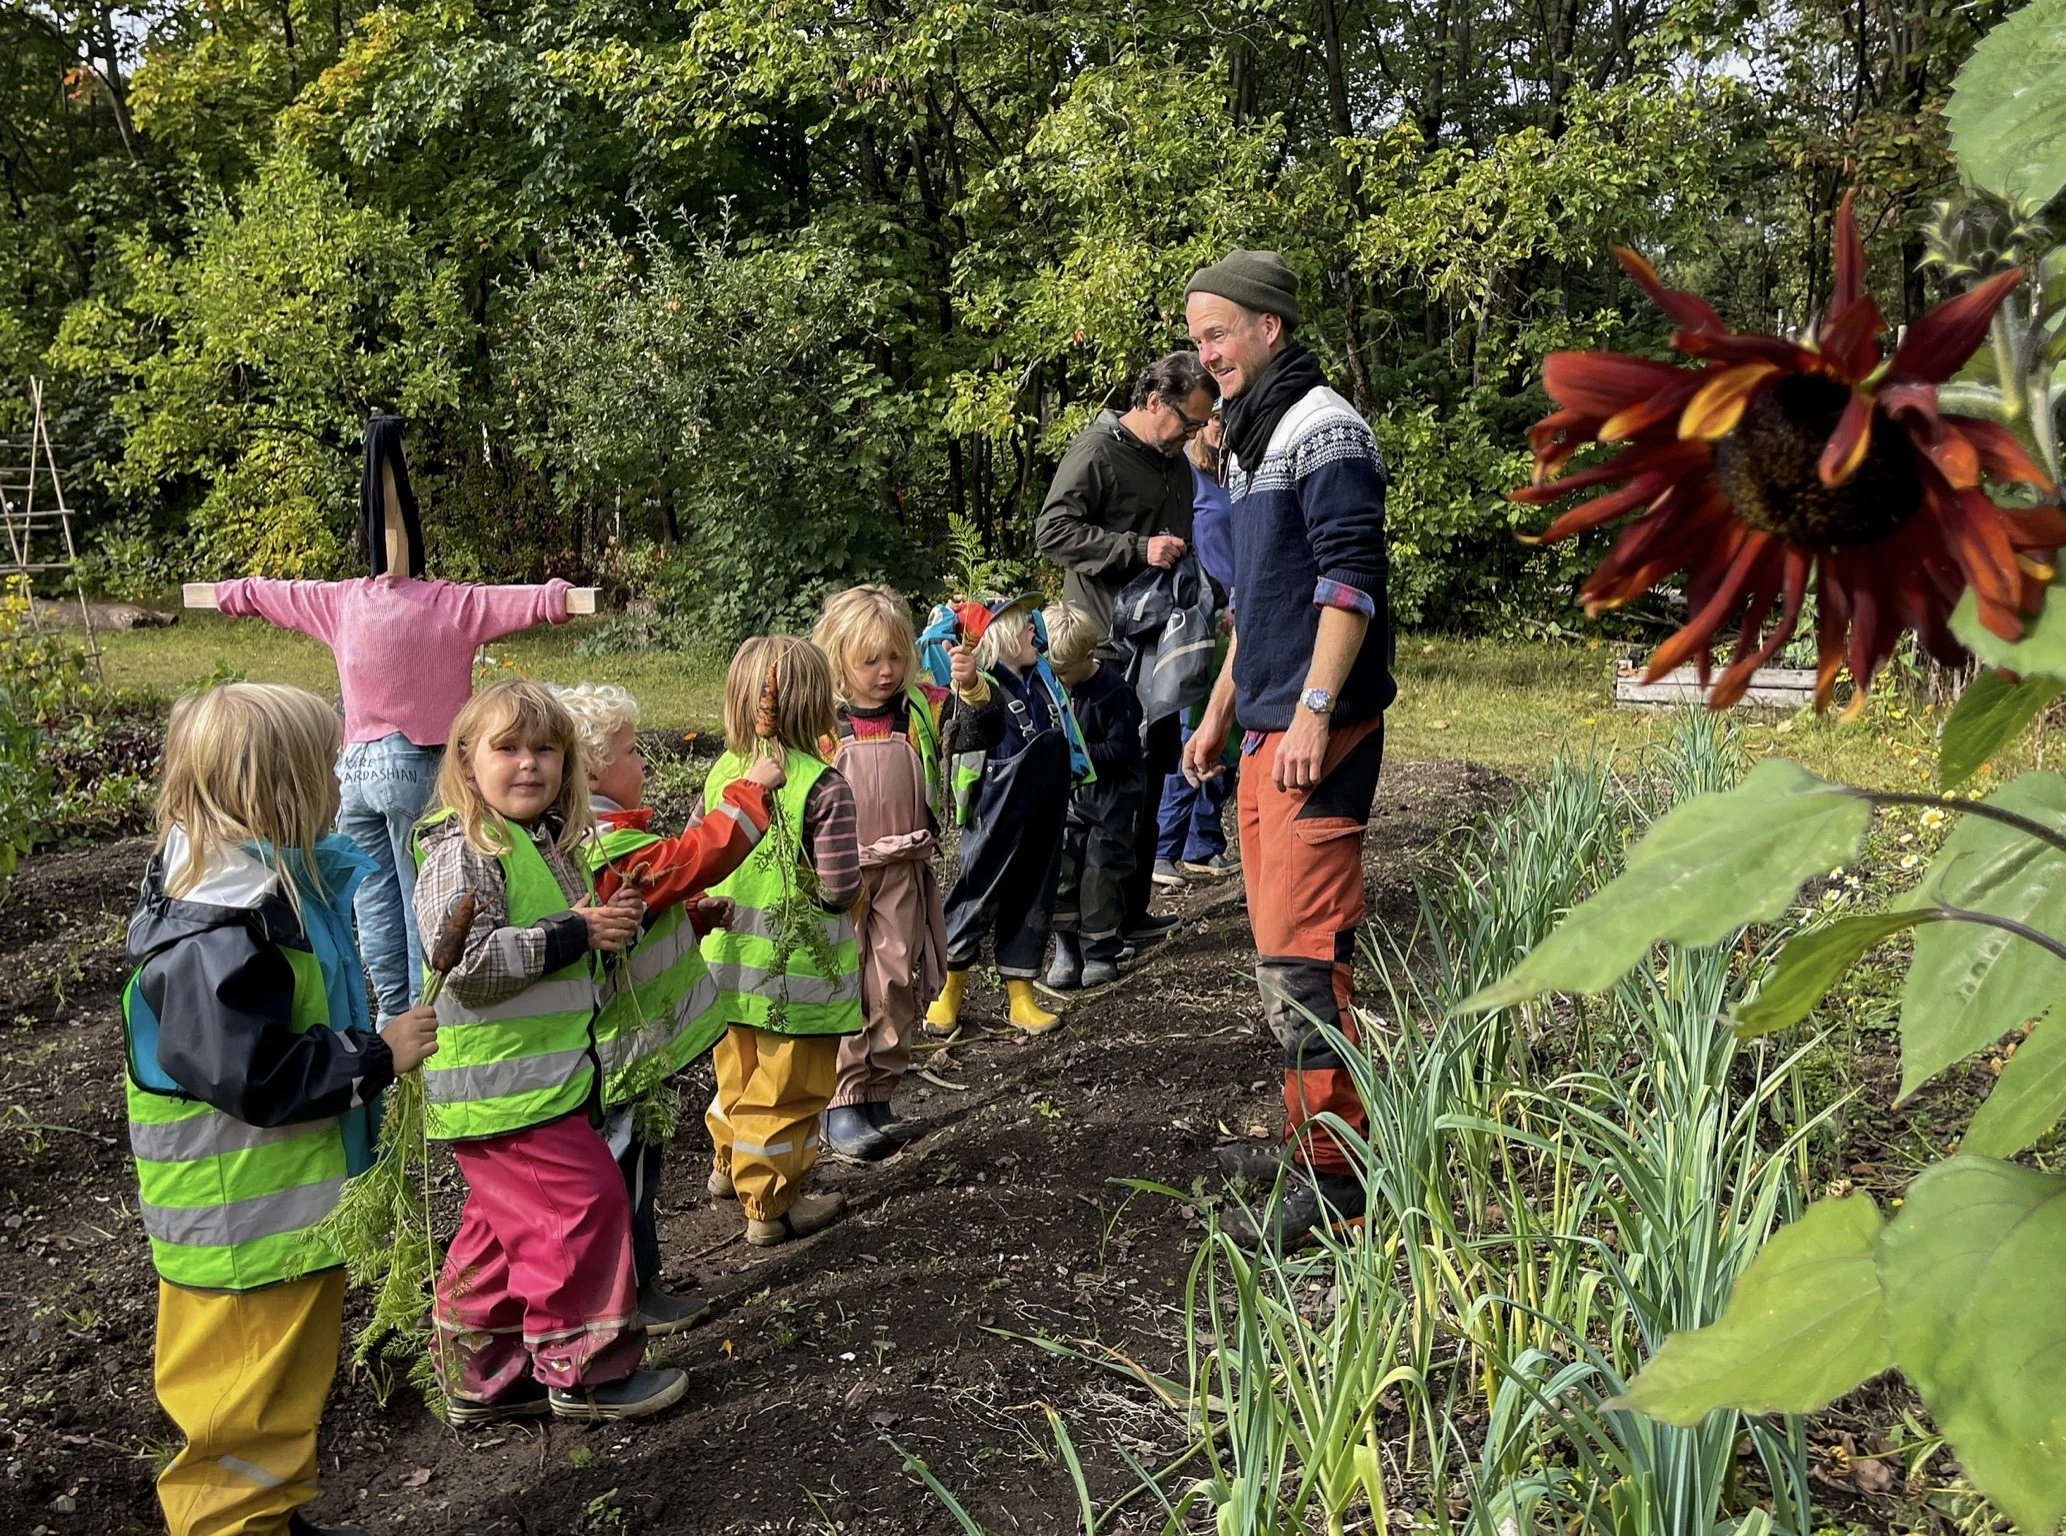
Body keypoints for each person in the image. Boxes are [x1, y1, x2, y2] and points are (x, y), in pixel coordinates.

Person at [123, 682, 440, 1536]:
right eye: (324, 767)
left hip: (277, 1225)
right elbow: (253, 1075)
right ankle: (237, 1524)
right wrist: (375, 1056)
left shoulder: (259, 897)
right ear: (277, 791)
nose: (342, 781)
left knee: (276, 1394)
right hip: (237, 1236)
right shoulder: (215, 936)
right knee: (237, 1410)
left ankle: (274, 1514)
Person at [213, 430, 574, 1027]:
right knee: (422, 899)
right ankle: (424, 1017)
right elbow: (523, 602)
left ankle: (390, 1017)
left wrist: (225, 594)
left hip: (353, 772)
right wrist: (561, 598)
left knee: (371, 900)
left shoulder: (341, 600)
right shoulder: (450, 604)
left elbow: (268, 595)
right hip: (422, 766)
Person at [1181, 250, 1394, 1248]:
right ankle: (1313, 1145)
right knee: (1279, 961)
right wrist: (1222, 709)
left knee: (1309, 965)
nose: (1205, 353)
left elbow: (1349, 581)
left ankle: (1340, 1177)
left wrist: (1312, 707)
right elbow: (1253, 602)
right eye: (1195, 338)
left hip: (1319, 730)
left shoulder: (1322, 427)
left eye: (1217, 332)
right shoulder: (1248, 441)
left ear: (1268, 326)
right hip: (1265, 724)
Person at [412, 680, 687, 1422]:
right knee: (584, 1209)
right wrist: (575, 934)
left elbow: (561, 949)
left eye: (547, 750)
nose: (529, 764)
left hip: (536, 1084)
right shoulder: (464, 853)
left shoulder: (540, 844)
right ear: (468, 762)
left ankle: (485, 1373)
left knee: (504, 1230)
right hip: (504, 1094)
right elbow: (465, 967)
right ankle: (585, 1370)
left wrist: (607, 929)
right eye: (508, 748)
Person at [558, 682, 782, 1330]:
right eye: (633, 752)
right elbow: (693, 858)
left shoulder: (604, 839)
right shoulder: (604, 843)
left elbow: (640, 913)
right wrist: (752, 790)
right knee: (625, 1177)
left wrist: (687, 918)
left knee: (641, 1170)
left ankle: (644, 1281)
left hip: (635, 1050)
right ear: (594, 769)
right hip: (621, 1053)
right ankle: (627, 1300)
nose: (645, 764)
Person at [810, 585, 1004, 1162]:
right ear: (839, 658)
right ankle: (840, 1099)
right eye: (870, 661)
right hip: (839, 876)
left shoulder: (923, 707)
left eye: (895, 657)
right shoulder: (825, 721)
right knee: (848, 979)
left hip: (903, 867)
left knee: (894, 977)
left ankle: (878, 1092)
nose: (886, 671)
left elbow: (981, 736)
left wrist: (971, 689)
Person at [1036, 353, 1219, 948]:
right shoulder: (1096, 451)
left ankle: (1133, 912)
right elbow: (1053, 532)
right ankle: (1084, 932)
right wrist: (1137, 550)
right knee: (1101, 788)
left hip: (1161, 648)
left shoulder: (1175, 462)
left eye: (1199, 427)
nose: (1194, 437)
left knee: (1148, 776)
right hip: (1102, 651)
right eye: (1188, 424)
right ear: (1153, 402)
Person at [699, 636, 866, 1244]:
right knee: (786, 1093)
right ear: (818, 703)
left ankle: (728, 1167)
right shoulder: (823, 787)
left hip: (725, 966)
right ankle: (768, 1205)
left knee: (735, 1077)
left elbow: (699, 854)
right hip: (795, 979)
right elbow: (837, 887)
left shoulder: (724, 771)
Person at [924, 595, 1076, 1038]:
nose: (1034, 628)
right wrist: (961, 623)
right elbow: (936, 646)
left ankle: (1021, 996)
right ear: (999, 634)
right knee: (977, 891)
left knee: (1034, 895)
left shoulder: (1043, 677)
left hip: (1046, 806)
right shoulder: (978, 682)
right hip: (996, 807)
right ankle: (948, 992)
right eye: (1024, 622)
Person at [1154, 405, 1240, 886]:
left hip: (1236, 616)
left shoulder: (1235, 472)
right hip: (1202, 617)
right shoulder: (1187, 478)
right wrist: (1215, 601)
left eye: (1226, 419)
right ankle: (1165, 844)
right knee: (1196, 726)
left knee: (1229, 727)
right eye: (1211, 418)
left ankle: (1202, 842)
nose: (1219, 427)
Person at [1044, 602, 1145, 992]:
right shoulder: (1056, 689)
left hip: (1113, 796)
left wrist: (1076, 758)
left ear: (1088, 656)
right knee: (1065, 862)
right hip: (1073, 796)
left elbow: (1121, 751)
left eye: (1066, 672)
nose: (1063, 681)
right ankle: (1066, 946)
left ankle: (1100, 949)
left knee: (1102, 869)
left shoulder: (1115, 693)